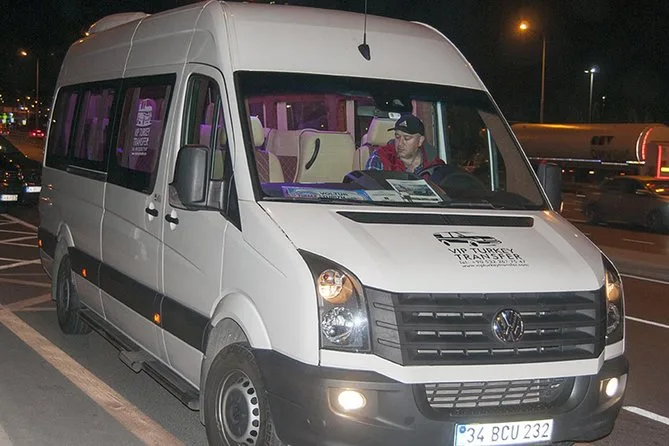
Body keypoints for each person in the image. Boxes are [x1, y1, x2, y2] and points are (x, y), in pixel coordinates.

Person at [365, 114, 444, 175]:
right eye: (397, 137)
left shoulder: (435, 166)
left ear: (420, 141)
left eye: (407, 138)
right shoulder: (380, 157)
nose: (400, 143)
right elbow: (371, 187)